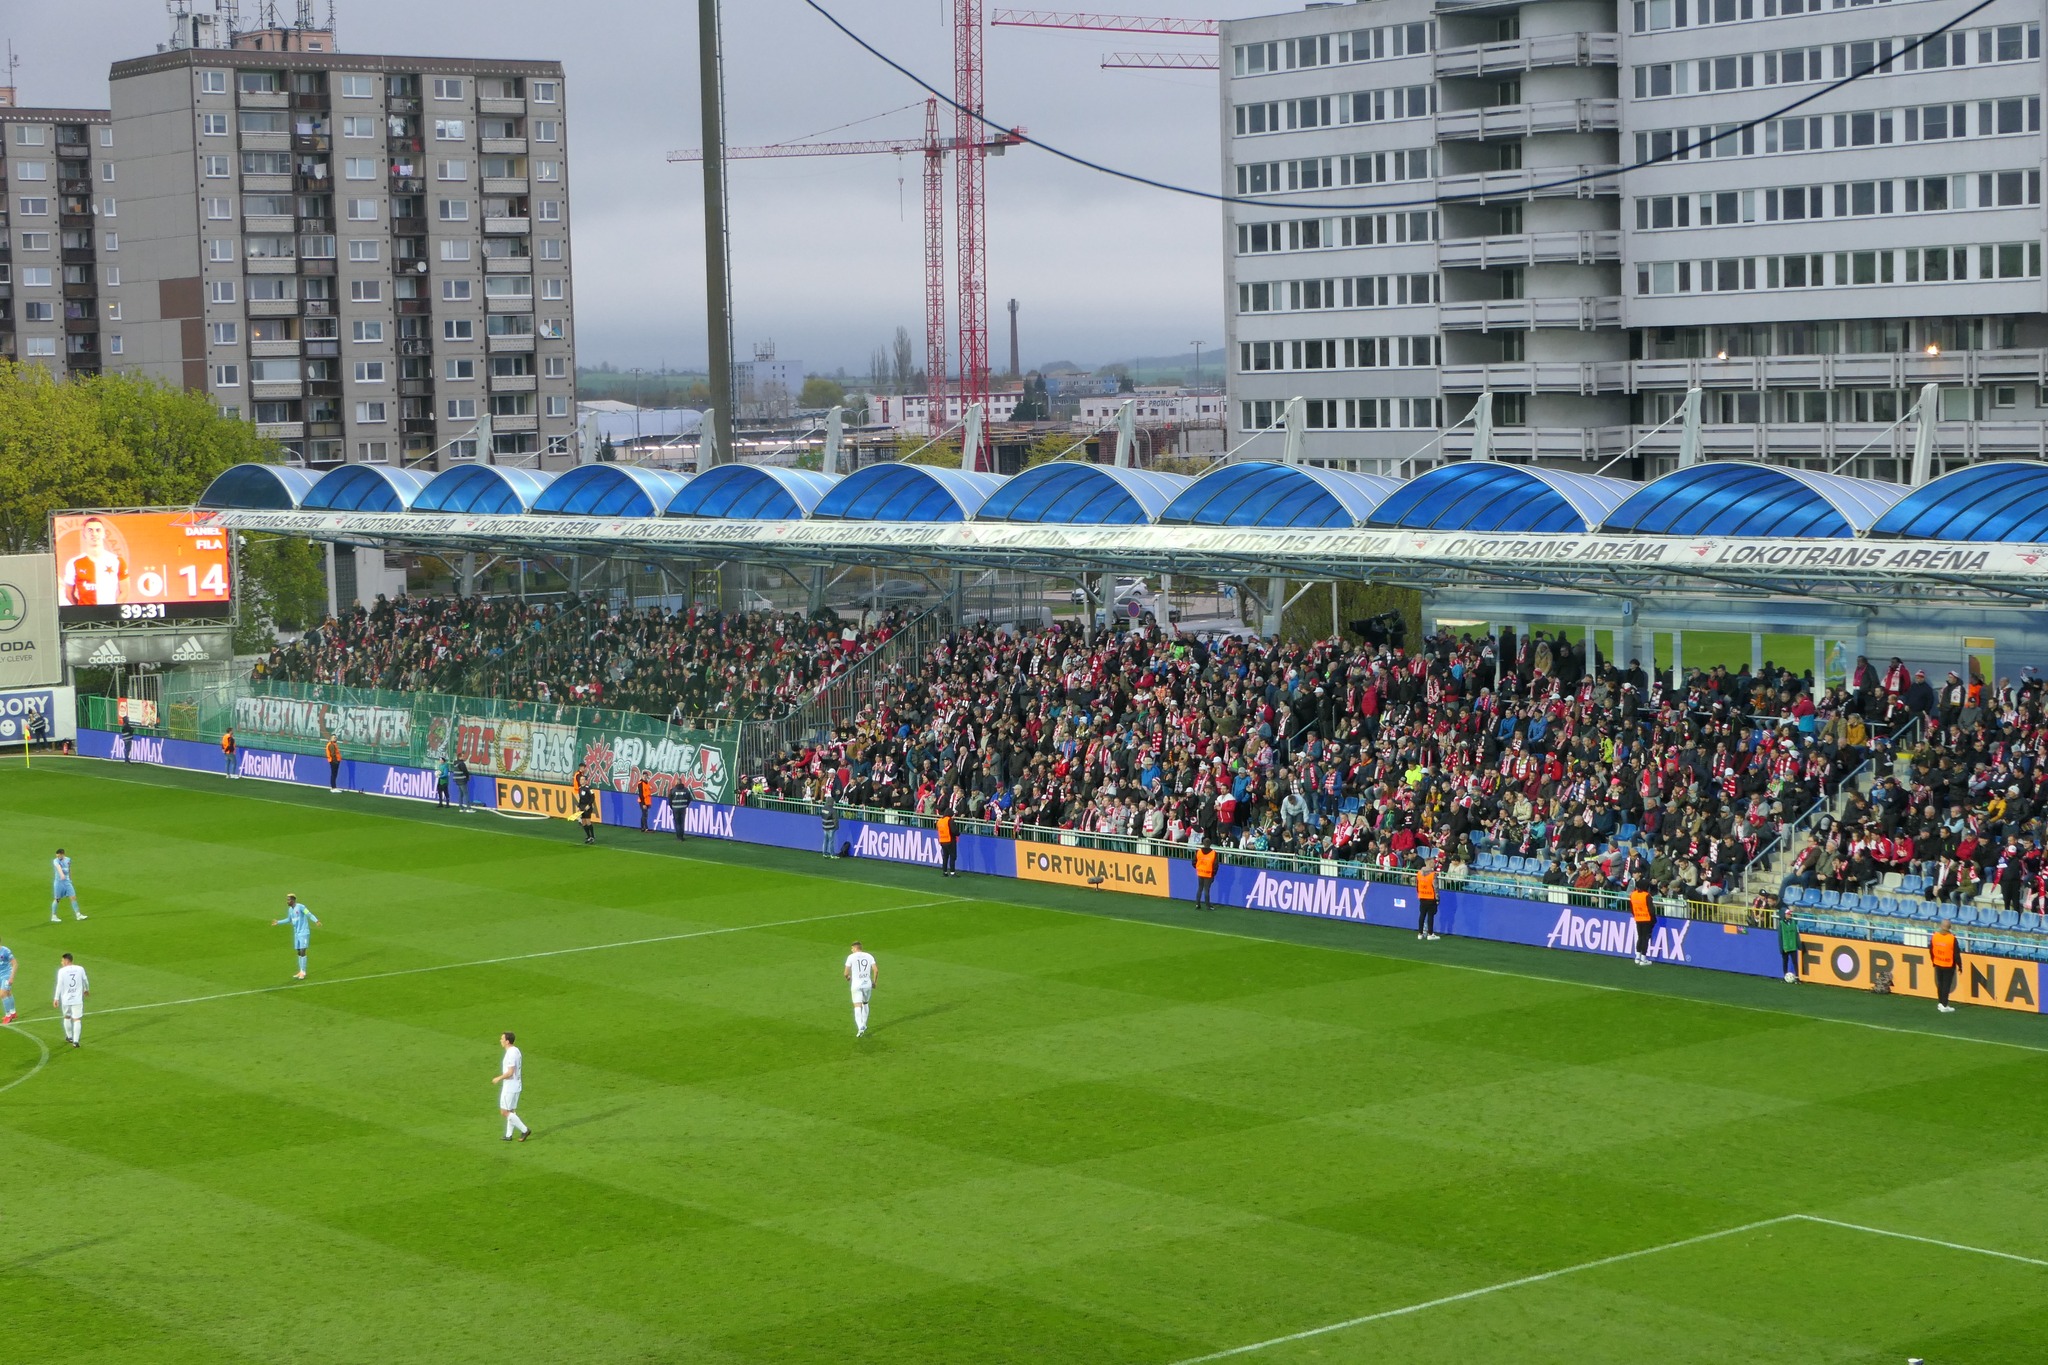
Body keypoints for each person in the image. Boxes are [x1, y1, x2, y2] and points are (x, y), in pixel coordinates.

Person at [61, 516, 124, 605]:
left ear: (104, 534)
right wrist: (82, 611)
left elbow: (125, 591)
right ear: (84, 534)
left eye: (98, 530)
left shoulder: (117, 561)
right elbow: (68, 594)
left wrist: (113, 611)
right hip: (86, 617)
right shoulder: (73, 563)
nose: (94, 534)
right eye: (90, 530)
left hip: (109, 616)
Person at [493, 1031, 530, 1142]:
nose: (500, 1040)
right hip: (516, 1085)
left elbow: (510, 1072)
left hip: (510, 1087)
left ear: (507, 1041)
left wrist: (498, 1078)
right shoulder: (516, 1050)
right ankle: (508, 1135)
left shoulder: (510, 1054)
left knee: (504, 1112)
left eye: (502, 1039)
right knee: (511, 1111)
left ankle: (525, 1130)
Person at [273, 894, 319, 980]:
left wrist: (316, 920)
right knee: (298, 951)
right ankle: (300, 971)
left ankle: (303, 972)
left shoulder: (301, 907)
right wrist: (278, 922)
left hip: (304, 932)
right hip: (297, 934)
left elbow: (308, 914)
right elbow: (289, 920)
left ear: (293, 900)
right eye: (287, 900)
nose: (287, 901)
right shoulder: (290, 910)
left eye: (289, 900)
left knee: (302, 951)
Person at [52, 952, 88, 1049]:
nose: (61, 962)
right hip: (77, 998)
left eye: (62, 960)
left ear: (66, 961)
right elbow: (85, 980)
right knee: (77, 1019)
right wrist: (86, 990)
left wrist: (56, 998)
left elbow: (59, 985)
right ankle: (76, 1042)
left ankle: (69, 1037)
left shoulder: (62, 971)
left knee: (67, 1017)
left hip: (66, 999)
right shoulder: (80, 969)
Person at [843, 940, 878, 1037]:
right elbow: (876, 970)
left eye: (852, 949)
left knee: (857, 1006)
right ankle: (864, 1024)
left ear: (854, 948)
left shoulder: (851, 957)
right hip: (867, 984)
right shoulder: (869, 956)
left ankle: (860, 1027)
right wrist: (874, 982)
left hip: (856, 985)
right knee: (865, 1003)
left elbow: (846, 973)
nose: (851, 950)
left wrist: (848, 978)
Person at [1931, 919, 1960, 1013]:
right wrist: (1960, 965)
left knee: (1940, 984)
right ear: (1950, 927)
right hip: (1948, 964)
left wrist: (1933, 961)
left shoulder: (1935, 936)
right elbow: (1956, 954)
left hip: (1938, 963)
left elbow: (1931, 949)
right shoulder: (1952, 938)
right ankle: (1944, 1004)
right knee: (1946, 985)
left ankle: (1940, 1002)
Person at [50, 848, 85, 924]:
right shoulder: (55, 861)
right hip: (59, 882)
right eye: (57, 856)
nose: (58, 857)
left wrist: (70, 879)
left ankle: (78, 915)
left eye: (59, 856)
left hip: (67, 882)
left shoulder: (68, 860)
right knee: (57, 899)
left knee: (73, 897)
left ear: (63, 854)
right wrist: (62, 874)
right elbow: (58, 868)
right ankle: (53, 916)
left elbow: (69, 869)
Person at [1630, 883, 1656, 965]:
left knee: (1640, 937)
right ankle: (1643, 958)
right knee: (1645, 938)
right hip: (1647, 919)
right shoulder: (1647, 895)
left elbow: (1631, 907)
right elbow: (1651, 910)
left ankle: (1637, 956)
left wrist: (1635, 915)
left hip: (1638, 918)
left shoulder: (1633, 894)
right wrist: (1654, 919)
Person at [1416, 859, 1441, 941]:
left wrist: (1419, 894)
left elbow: (1417, 885)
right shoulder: (1433, 874)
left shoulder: (1419, 873)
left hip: (1422, 896)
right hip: (1431, 897)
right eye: (1433, 863)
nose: (1434, 864)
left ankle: (1420, 933)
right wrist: (1437, 899)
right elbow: (1436, 888)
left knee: (1422, 915)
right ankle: (1430, 934)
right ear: (1430, 864)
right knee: (1430, 916)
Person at [1194, 836, 1219, 909]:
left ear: (1203, 844)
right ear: (1210, 844)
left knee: (1200, 888)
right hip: (1208, 873)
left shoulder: (1198, 851)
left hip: (1200, 873)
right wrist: (1214, 874)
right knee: (1206, 890)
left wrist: (1198, 868)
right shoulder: (1213, 853)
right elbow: (1215, 865)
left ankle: (1197, 904)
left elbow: (1193, 862)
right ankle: (1208, 905)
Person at [1779, 904, 1801, 983]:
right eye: (1788, 914)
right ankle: (1785, 976)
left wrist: (1799, 944)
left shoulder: (1794, 922)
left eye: (1790, 914)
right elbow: (1780, 937)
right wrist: (1781, 948)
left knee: (1795, 962)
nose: (1789, 915)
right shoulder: (1781, 924)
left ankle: (1797, 977)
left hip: (1793, 945)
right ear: (1784, 915)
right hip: (1786, 946)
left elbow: (1796, 934)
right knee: (1785, 962)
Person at [935, 811, 957, 877]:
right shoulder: (950, 820)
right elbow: (954, 831)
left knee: (945, 857)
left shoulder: (940, 821)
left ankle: (944, 872)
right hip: (950, 840)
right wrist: (957, 833)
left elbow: (937, 829)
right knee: (952, 857)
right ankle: (952, 872)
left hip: (942, 840)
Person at [0, 937, 16, 1024]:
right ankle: (13, 1012)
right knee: (8, 992)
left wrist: (11, 977)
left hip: (6, 975)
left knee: (2, 994)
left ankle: (8, 1015)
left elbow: (15, 963)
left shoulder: (5, 951)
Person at [821, 791, 839, 858]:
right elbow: (835, 820)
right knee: (831, 841)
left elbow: (822, 816)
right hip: (831, 827)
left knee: (825, 840)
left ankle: (824, 853)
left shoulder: (823, 808)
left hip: (825, 827)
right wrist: (836, 827)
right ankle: (832, 854)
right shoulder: (833, 810)